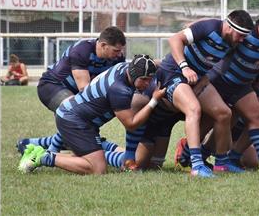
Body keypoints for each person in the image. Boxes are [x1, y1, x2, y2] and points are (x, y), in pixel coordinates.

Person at [18, 55, 164, 175]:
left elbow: (151, 64)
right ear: (133, 74)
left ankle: (124, 159)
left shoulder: (127, 67)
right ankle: (42, 156)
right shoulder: (119, 90)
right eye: (144, 79)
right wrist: (154, 101)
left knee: (96, 156)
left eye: (150, 79)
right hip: (73, 120)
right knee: (98, 169)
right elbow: (131, 124)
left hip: (80, 119)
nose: (147, 84)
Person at [156, 10, 254, 178]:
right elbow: (175, 39)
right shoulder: (209, 27)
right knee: (193, 109)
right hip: (174, 72)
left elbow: (216, 67)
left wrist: (203, 81)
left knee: (224, 114)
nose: (242, 40)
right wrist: (184, 67)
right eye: (241, 35)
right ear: (230, 27)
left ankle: (221, 163)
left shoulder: (233, 42)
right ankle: (196, 165)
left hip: (197, 78)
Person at [17, 26, 127, 154]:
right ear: (103, 45)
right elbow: (85, 89)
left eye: (120, 51)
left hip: (76, 94)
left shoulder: (117, 58)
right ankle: (50, 154)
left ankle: (29, 144)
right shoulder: (82, 50)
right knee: (76, 119)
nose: (119, 54)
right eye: (116, 50)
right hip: (52, 86)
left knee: (78, 134)